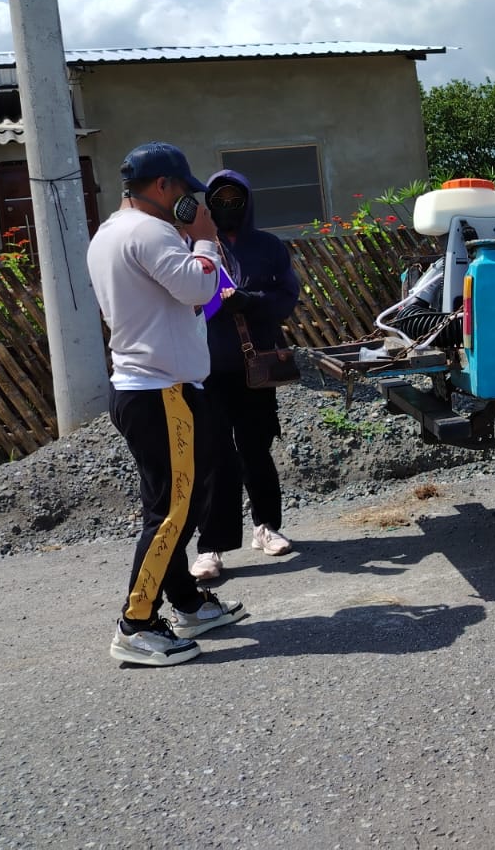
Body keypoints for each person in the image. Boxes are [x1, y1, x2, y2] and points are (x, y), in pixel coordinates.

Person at [88, 142, 248, 667]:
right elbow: (198, 289)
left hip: (147, 388)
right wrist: (203, 239)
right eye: (184, 190)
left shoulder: (110, 232)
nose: (191, 202)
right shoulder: (151, 232)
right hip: (163, 392)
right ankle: (136, 624)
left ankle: (187, 603)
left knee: (173, 504)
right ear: (162, 186)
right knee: (172, 512)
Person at [190, 171, 301, 581]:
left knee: (256, 450)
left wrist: (249, 301)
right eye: (219, 200)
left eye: (235, 199)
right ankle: (210, 547)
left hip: (257, 369)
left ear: (247, 202)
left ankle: (266, 527)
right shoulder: (196, 247)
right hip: (207, 370)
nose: (227, 207)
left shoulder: (268, 247)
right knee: (215, 457)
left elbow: (287, 297)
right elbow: (179, 298)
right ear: (209, 204)